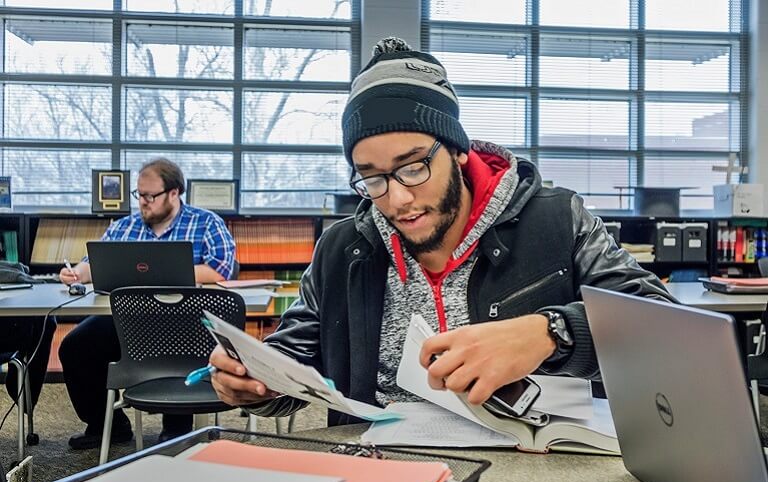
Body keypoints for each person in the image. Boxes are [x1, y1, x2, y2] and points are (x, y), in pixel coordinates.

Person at [209, 37, 674, 426]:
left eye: (412, 168)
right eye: (371, 179)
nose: (396, 200)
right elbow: (295, 369)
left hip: (534, 468)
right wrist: (254, 383)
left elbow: (665, 331)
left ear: (456, 150)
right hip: (382, 472)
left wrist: (552, 332)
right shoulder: (341, 248)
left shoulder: (557, 219)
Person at [58, 157, 236, 450]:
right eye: (139, 195)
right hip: (127, 321)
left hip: (186, 321)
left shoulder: (206, 223)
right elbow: (94, 262)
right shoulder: (125, 226)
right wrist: (77, 271)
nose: (143, 202)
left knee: (174, 349)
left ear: (174, 193)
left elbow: (220, 270)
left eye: (150, 196)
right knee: (76, 347)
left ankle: (177, 428)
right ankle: (109, 426)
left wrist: (167, 272)